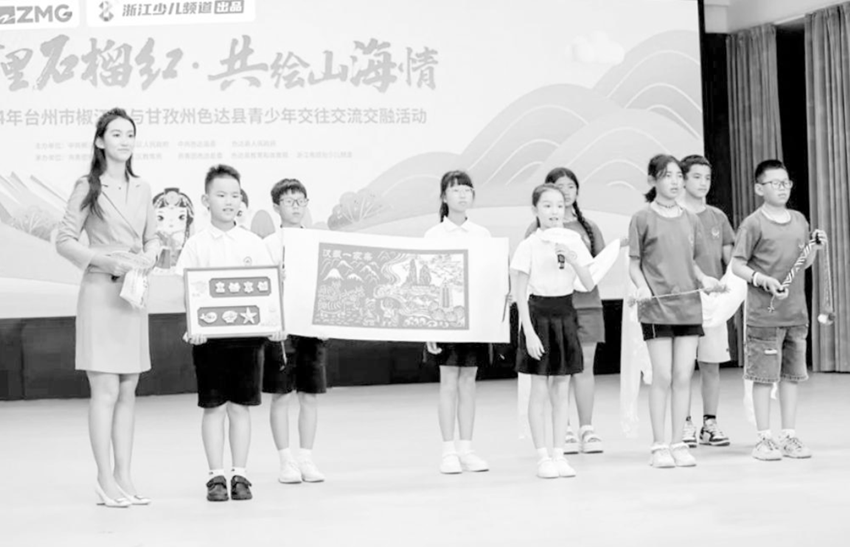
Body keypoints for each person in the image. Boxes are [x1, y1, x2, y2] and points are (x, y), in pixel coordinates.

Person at [56, 107, 160, 508]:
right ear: (100, 141)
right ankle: (103, 479)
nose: (124, 141)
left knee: (129, 387)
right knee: (105, 389)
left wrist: (150, 255)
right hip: (101, 291)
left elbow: (152, 237)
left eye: (130, 134)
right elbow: (65, 240)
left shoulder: (143, 187)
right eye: (116, 134)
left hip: (133, 294)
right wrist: (104, 261)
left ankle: (124, 476)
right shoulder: (87, 186)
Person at [176, 164, 285, 502]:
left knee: (241, 408)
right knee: (214, 408)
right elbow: (189, 293)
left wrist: (274, 324)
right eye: (221, 195)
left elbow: (268, 290)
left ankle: (240, 474)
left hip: (248, 341)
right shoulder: (196, 245)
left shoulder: (254, 243)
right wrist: (194, 327)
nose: (229, 201)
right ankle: (215, 477)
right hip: (209, 341)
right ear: (205, 200)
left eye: (235, 195)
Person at [628, 154, 718, 468]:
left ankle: (678, 442)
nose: (676, 182)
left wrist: (705, 279)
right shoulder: (641, 218)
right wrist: (642, 287)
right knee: (663, 375)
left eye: (679, 175)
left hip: (688, 309)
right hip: (657, 309)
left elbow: (693, 262)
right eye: (668, 176)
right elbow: (634, 264)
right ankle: (658, 445)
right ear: (652, 180)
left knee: (683, 376)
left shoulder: (691, 219)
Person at [731, 159, 824, 461]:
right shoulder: (753, 223)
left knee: (791, 377)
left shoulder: (799, 220)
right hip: (764, 315)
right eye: (775, 183)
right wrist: (762, 279)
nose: (783, 188)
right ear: (759, 189)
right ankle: (763, 438)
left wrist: (814, 248)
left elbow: (803, 263)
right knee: (763, 377)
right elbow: (737, 265)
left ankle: (788, 435)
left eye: (786, 182)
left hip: (796, 314)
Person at [512, 183, 595, 479]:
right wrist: (529, 332)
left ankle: (559, 453)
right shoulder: (529, 245)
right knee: (539, 388)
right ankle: (542, 456)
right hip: (538, 315)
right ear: (535, 209)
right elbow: (519, 292)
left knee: (562, 387)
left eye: (559, 205)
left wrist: (572, 258)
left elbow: (588, 283)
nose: (554, 211)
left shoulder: (573, 240)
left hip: (565, 314)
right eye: (547, 205)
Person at [523, 167, 606, 454]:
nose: (565, 194)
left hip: (581, 307)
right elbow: (524, 280)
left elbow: (593, 272)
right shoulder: (533, 236)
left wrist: (576, 259)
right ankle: (558, 435)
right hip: (547, 312)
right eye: (559, 188)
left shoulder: (584, 231)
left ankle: (584, 430)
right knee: (551, 375)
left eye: (571, 187)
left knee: (579, 370)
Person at [424, 171, 491, 474]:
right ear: (443, 197)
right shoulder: (434, 236)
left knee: (469, 382)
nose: (462, 195)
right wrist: (429, 326)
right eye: (455, 190)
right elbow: (426, 285)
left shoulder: (482, 235)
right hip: (445, 318)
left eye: (467, 189)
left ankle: (467, 449)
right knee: (448, 381)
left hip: (475, 318)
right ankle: (448, 451)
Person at [262, 178, 328, 483]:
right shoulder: (268, 245)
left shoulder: (317, 242)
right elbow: (262, 289)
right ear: (277, 207)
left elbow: (328, 285)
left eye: (301, 201)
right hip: (281, 330)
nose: (296, 207)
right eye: (289, 202)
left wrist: (326, 322)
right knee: (281, 396)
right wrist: (276, 278)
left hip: (311, 328)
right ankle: (285, 460)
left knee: (310, 396)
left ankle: (306, 458)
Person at [679, 155, 734, 447]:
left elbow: (731, 260)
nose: (703, 183)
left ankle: (709, 423)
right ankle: (684, 422)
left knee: (710, 364)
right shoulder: (675, 215)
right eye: (696, 177)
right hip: (683, 301)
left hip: (713, 303)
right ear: (683, 180)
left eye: (707, 178)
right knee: (683, 366)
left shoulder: (718, 217)